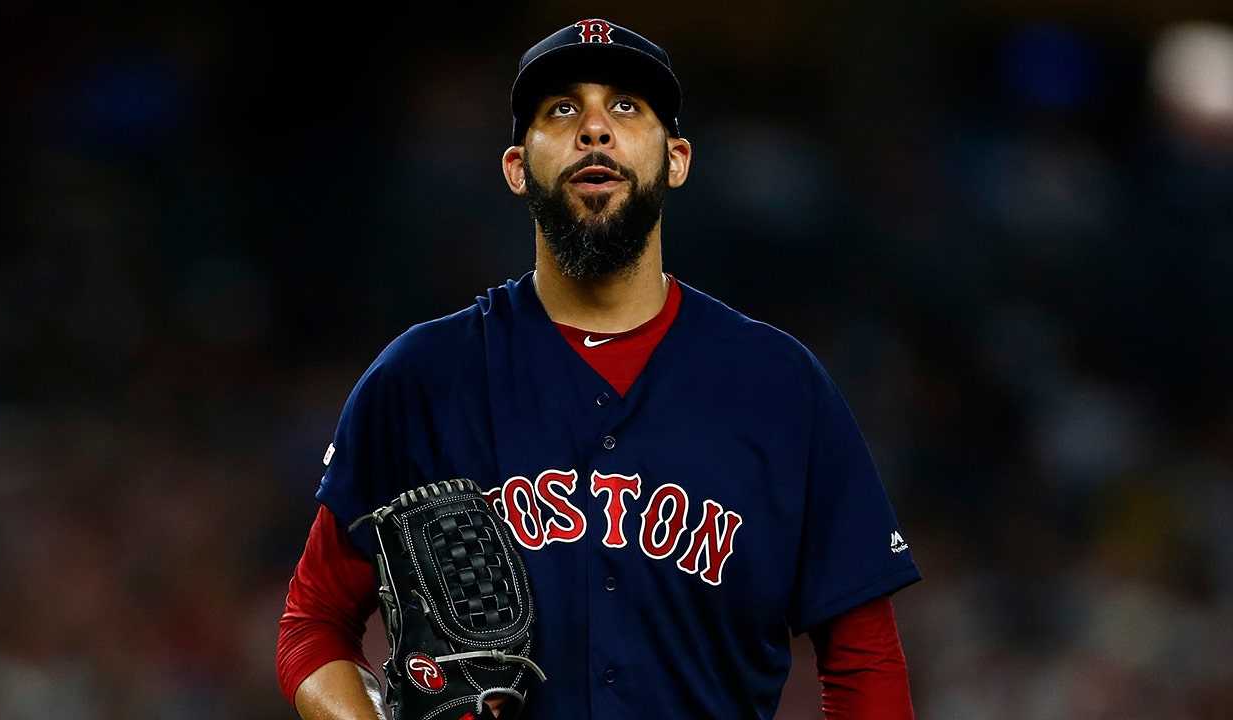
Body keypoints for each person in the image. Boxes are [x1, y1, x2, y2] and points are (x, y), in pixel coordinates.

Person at [277, 18, 922, 720]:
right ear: (517, 167)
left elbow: (865, 662)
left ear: (675, 159)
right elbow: (312, 624)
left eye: (625, 107)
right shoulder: (423, 379)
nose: (593, 129)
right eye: (561, 110)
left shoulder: (780, 386)